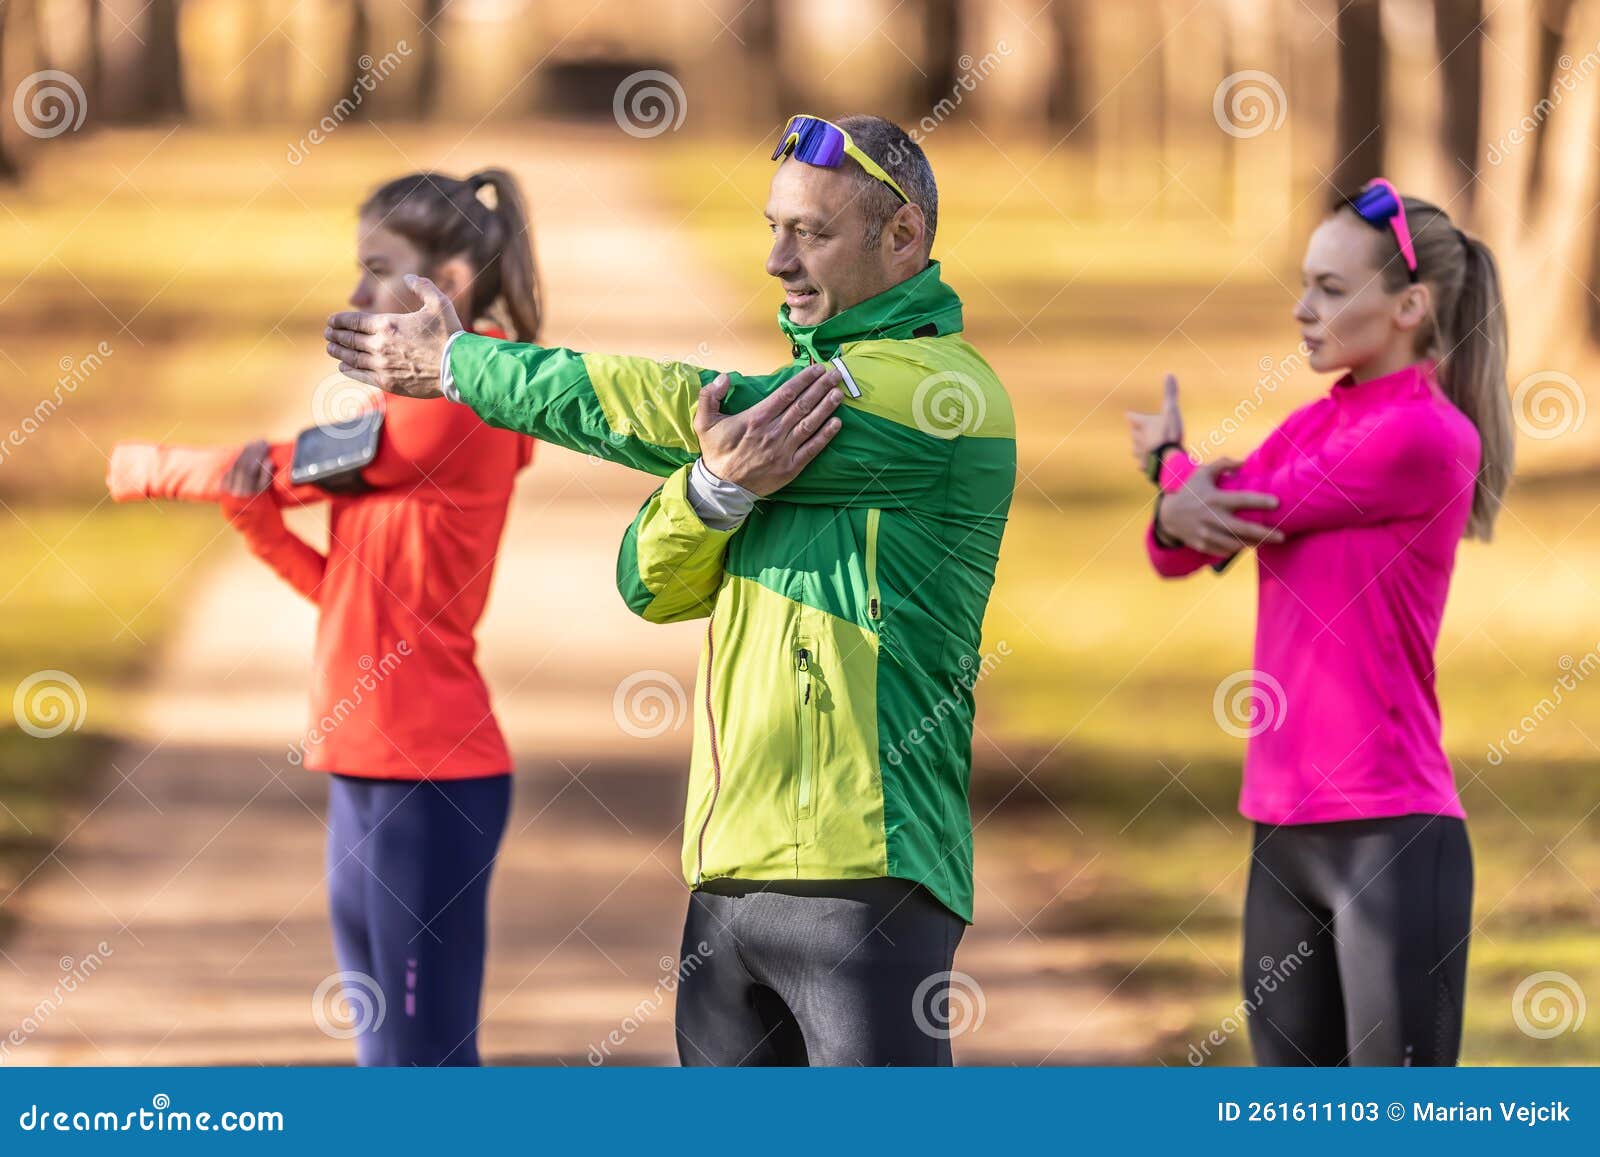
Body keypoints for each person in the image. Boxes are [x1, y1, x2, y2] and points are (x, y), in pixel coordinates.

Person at [325, 114, 1017, 1065]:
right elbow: (646, 582)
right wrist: (712, 489)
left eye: (810, 231)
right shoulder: (769, 440)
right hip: (726, 877)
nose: (778, 259)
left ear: (902, 235)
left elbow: (673, 399)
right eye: (772, 227)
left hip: (871, 874)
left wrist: (461, 364)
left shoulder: (945, 395)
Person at [106, 170, 542, 1066]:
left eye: (380, 269)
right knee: (382, 1056)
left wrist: (153, 466)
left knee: (427, 1060)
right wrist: (248, 517)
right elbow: (347, 591)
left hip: (432, 776)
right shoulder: (408, 409)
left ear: (450, 281)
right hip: (365, 765)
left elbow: (290, 463)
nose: (354, 295)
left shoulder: (460, 402)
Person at [1126, 179, 1513, 1065]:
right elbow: (1176, 549)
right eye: (1305, 284)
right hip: (1282, 827)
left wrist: (1174, 469)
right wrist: (1177, 494)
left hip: (1390, 831)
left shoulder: (1427, 435)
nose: (1303, 310)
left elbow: (1251, 508)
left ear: (1410, 306)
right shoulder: (1313, 423)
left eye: (1332, 290)